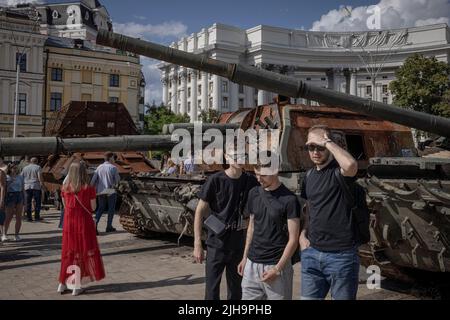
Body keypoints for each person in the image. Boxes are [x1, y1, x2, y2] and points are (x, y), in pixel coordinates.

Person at [299, 125, 359, 300]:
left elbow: (351, 165)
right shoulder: (309, 176)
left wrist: (327, 141)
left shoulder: (338, 172)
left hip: (341, 256)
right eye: (311, 147)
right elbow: (309, 208)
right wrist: (303, 234)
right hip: (312, 253)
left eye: (320, 147)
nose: (315, 151)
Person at [193, 148, 258, 300]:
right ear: (226, 157)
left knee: (236, 291)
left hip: (238, 243)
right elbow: (199, 211)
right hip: (217, 243)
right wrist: (197, 243)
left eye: (243, 154)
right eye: (235, 155)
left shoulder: (251, 181)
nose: (239, 158)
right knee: (212, 290)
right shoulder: (215, 180)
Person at [238, 159, 300, 300]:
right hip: (252, 264)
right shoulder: (254, 193)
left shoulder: (289, 200)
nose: (259, 179)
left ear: (276, 171)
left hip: (276, 265)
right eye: (256, 174)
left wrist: (277, 269)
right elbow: (251, 227)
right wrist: (244, 258)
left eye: (264, 175)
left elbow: (293, 239)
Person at [58, 161, 105, 296]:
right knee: (81, 253)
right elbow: (94, 208)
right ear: (83, 172)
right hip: (83, 224)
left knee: (69, 253)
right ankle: (76, 286)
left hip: (69, 225)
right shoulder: (88, 188)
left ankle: (62, 283)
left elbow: (65, 206)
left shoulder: (65, 188)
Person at [91, 152, 120, 233]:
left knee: (100, 208)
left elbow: (93, 181)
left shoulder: (99, 167)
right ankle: (109, 226)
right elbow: (118, 181)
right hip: (111, 190)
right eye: (114, 158)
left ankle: (94, 225)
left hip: (100, 191)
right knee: (111, 209)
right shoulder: (113, 168)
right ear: (110, 158)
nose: (114, 159)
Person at [3, 164, 25, 242]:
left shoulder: (20, 177)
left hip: (19, 195)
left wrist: (24, 198)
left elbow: (23, 188)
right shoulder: (7, 177)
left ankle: (16, 235)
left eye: (16, 168)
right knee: (8, 217)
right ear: (10, 169)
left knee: (19, 217)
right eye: (13, 168)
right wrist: (10, 182)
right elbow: (4, 188)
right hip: (10, 195)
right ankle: (4, 234)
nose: (14, 169)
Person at [21, 157, 44, 222]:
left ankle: (29, 217)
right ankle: (37, 216)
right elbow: (40, 177)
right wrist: (42, 185)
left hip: (27, 186)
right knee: (37, 202)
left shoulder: (25, 168)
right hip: (36, 186)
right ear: (36, 161)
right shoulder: (38, 167)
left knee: (28, 202)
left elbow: (21, 176)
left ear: (30, 161)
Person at [0, 160, 6, 242]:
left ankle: (2, 234)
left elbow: (2, 187)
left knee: (1, 218)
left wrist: (1, 199)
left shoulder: (1, 173)